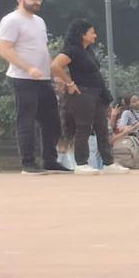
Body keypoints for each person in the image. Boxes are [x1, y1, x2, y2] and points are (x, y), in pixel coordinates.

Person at [0, 0, 61, 175]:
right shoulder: (11, 21)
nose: (37, 2)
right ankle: (28, 164)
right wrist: (28, 68)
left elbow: (43, 49)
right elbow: (5, 50)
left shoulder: (39, 21)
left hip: (43, 79)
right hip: (22, 78)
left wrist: (53, 72)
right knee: (26, 120)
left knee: (52, 121)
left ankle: (50, 160)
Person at [49, 19, 123, 174]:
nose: (95, 35)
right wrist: (69, 83)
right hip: (82, 93)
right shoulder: (72, 50)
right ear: (82, 34)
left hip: (97, 93)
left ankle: (108, 163)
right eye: (92, 32)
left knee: (102, 128)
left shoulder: (88, 50)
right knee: (83, 128)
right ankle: (81, 163)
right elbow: (55, 66)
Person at [112, 93, 139, 169]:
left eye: (138, 99)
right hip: (133, 136)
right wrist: (136, 126)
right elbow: (121, 128)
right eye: (134, 102)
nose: (138, 102)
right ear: (130, 105)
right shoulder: (127, 113)